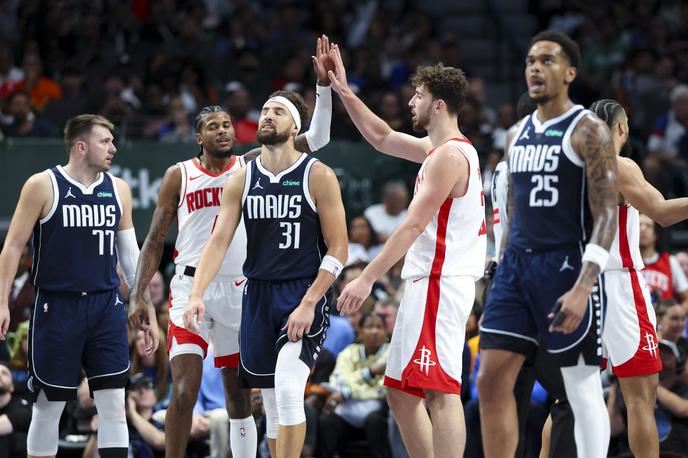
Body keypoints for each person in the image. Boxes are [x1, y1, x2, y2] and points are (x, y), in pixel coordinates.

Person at [128, 35, 335, 458]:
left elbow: (317, 138)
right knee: (184, 389)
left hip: (243, 289)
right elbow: (153, 240)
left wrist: (324, 87)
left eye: (227, 124)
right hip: (191, 286)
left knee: (240, 395)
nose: (224, 130)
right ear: (198, 136)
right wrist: (137, 293)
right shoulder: (178, 174)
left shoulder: (253, 165)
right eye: (213, 126)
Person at [330, 43, 487, 456]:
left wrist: (366, 277)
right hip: (427, 282)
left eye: (417, 95)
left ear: (438, 104)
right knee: (401, 393)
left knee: (439, 390)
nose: (410, 101)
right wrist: (345, 91)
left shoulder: (449, 157)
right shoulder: (437, 151)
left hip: (440, 281)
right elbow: (381, 137)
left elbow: (414, 224)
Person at [477, 30, 618, 458]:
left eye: (548, 61)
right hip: (516, 267)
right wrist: (500, 265)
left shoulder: (588, 130)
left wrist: (583, 286)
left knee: (580, 387)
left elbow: (607, 213)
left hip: (566, 268)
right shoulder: (515, 133)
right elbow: (514, 209)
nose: (535, 68)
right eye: (530, 61)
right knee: (490, 381)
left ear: (570, 72)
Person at [186, 85, 347, 458]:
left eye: (278, 111)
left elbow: (339, 248)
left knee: (291, 392)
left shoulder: (318, 174)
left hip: (302, 292)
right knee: (273, 406)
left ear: (295, 128)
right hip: (257, 295)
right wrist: (196, 293)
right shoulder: (242, 178)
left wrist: (310, 302)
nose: (267, 115)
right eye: (265, 110)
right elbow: (218, 242)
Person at [0, 114, 149, 458]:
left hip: (105, 306)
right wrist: (3, 301)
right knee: (48, 406)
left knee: (113, 403)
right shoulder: (42, 184)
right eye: (105, 141)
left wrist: (143, 306)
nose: (113, 147)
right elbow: (11, 246)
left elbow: (130, 256)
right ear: (81, 146)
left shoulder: (118, 188)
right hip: (57, 306)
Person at [589, 98, 688, 457]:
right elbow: (661, 213)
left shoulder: (566, 166)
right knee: (640, 399)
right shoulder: (618, 164)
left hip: (575, 284)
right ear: (621, 128)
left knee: (568, 400)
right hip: (617, 283)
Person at [317, 312, 391, 458]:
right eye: (369, 327)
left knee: (374, 421)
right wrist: (370, 373)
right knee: (326, 421)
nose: (374, 331)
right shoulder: (348, 352)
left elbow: (383, 389)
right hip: (348, 411)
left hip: (378, 410)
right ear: (361, 331)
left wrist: (347, 392)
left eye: (379, 327)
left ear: (385, 331)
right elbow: (339, 382)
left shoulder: (391, 353)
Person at [638, 213, 688, 308]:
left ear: (656, 234)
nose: (642, 229)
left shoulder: (670, 261)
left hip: (662, 320)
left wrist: (677, 314)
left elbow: (686, 298)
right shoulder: (624, 262)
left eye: (648, 226)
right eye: (639, 225)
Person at [0, 360, 31, 458]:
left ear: (12, 387)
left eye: (4, 373)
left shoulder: (21, 407)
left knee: (17, 438)